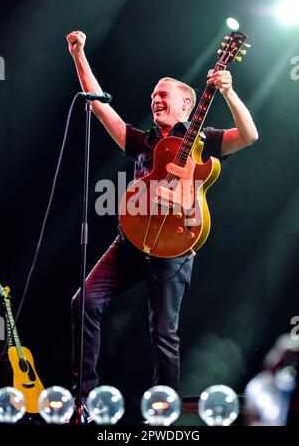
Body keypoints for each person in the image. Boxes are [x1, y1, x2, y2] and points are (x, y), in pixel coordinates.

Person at [66, 30, 258, 405]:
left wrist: (229, 92)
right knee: (83, 301)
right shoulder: (144, 140)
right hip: (130, 241)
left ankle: (164, 409)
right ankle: (82, 399)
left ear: (187, 103)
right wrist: (78, 53)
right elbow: (100, 106)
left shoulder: (206, 140)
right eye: (153, 95)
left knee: (163, 334)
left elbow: (249, 135)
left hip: (174, 248)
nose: (155, 99)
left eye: (163, 95)